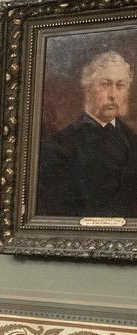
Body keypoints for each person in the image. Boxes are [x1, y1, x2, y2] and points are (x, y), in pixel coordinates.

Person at [37, 50, 137, 218]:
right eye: (105, 85)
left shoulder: (132, 139)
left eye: (120, 85)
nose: (113, 95)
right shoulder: (60, 146)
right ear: (88, 88)